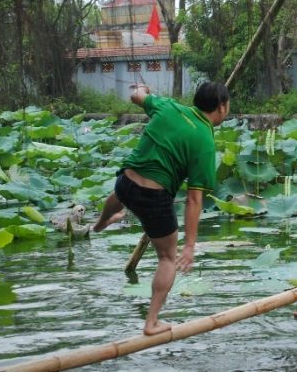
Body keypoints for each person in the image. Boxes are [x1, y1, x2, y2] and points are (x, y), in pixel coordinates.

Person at [93, 81, 230, 335]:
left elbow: (137, 96)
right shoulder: (204, 140)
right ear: (221, 107)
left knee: (120, 193)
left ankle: (100, 224)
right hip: (153, 198)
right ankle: (151, 322)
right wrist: (189, 246)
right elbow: (194, 200)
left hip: (125, 182)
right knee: (167, 258)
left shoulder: (168, 107)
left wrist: (143, 89)